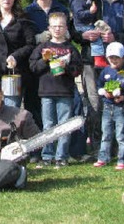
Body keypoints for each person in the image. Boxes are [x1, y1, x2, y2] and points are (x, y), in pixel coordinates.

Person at [71, 0, 124, 159]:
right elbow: (73, 28)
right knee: (95, 104)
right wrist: (82, 37)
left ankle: (120, 148)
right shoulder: (90, 2)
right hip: (92, 62)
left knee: (119, 101)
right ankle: (97, 149)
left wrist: (116, 37)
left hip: (119, 63)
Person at [29, 12, 83, 168]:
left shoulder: (70, 49)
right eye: (54, 26)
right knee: (48, 125)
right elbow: (33, 67)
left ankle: (62, 156)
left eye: (61, 26)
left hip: (65, 92)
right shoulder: (42, 48)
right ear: (49, 28)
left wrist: (66, 67)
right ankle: (47, 155)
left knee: (64, 125)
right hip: (46, 92)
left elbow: (77, 70)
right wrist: (45, 61)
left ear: (66, 28)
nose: (57, 29)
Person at [23, 0, 68, 126]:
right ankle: (37, 138)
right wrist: (37, 39)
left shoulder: (61, 9)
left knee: (59, 103)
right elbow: (23, 38)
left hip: (57, 63)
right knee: (33, 101)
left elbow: (72, 34)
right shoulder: (27, 12)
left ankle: (56, 137)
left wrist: (65, 34)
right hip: (36, 63)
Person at [93, 42, 124, 170]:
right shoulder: (105, 70)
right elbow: (99, 85)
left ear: (123, 58)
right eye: (111, 58)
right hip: (107, 106)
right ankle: (103, 157)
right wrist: (103, 92)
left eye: (117, 58)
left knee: (121, 135)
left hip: (121, 108)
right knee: (106, 133)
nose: (114, 60)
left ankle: (123, 159)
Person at [70, 0, 106, 68]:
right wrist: (90, 12)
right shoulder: (76, 1)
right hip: (82, 26)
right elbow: (79, 15)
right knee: (96, 38)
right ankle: (99, 59)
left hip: (87, 24)